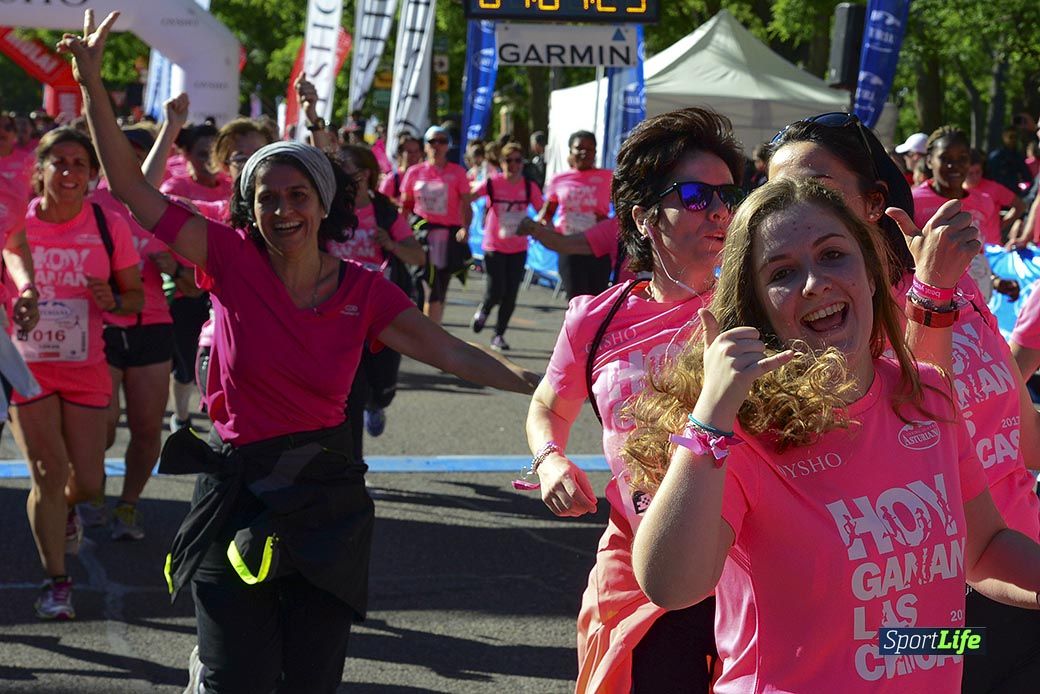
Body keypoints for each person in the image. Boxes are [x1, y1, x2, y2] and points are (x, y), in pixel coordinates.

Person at [63, 11, 536, 690]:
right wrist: (91, 84)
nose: (283, 209)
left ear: (323, 204)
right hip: (235, 489)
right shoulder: (226, 258)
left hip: (324, 499)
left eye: (298, 195)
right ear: (247, 209)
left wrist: (555, 385)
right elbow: (133, 192)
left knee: (311, 679)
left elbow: (456, 354)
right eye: (266, 198)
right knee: (236, 676)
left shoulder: (364, 291)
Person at [623, 177, 1040, 693]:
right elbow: (670, 585)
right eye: (782, 272)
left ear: (870, 274)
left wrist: (935, 649)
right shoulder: (742, 431)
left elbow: (983, 548)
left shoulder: (927, 393)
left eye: (833, 255)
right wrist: (711, 413)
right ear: (756, 306)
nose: (814, 282)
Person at [766, 113, 1040, 693]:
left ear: (873, 201)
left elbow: (1016, 418)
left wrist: (936, 286)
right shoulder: (822, 315)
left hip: (1021, 556)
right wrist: (929, 294)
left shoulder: (950, 279)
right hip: (927, 605)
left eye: (817, 186)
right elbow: (914, 413)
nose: (794, 203)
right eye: (775, 191)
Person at [525, 107, 746, 693]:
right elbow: (549, 404)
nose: (720, 210)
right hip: (642, 571)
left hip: (750, 568)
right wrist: (550, 459)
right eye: (697, 195)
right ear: (644, 216)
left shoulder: (760, 309)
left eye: (729, 195)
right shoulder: (594, 320)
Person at [14, 125, 143, 619]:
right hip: (29, 367)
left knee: (87, 483)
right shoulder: (16, 225)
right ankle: (57, 582)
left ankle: (67, 509)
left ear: (91, 175)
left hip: (87, 366)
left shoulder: (108, 225)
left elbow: (133, 296)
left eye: (79, 165)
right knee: (46, 475)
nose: (69, 172)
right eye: (59, 162)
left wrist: (113, 299)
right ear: (40, 170)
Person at [334, 144, 425, 458]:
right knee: (349, 391)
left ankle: (378, 403)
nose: (337, 174)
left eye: (343, 167)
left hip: (380, 312)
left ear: (363, 174)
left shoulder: (384, 210)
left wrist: (390, 244)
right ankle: (350, 461)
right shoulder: (329, 210)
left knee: (382, 385)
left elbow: (419, 256)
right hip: (338, 315)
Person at [913, 126, 1017, 303]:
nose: (954, 166)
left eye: (962, 158)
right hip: (933, 306)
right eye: (945, 158)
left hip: (978, 303)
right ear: (929, 161)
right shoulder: (913, 201)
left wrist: (994, 280)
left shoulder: (983, 201)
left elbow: (977, 255)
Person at [471, 142, 543, 351]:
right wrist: (463, 224)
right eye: (508, 160)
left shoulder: (529, 187)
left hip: (518, 247)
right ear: (501, 162)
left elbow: (542, 211)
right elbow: (467, 196)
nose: (513, 165)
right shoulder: (493, 183)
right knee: (496, 290)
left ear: (522, 163)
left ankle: (498, 335)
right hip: (493, 245)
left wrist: (538, 225)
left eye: (517, 160)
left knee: (510, 294)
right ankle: (484, 310)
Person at [399, 124, 473, 326]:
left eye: (442, 141)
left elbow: (466, 205)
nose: (437, 146)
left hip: (447, 236)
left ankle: (431, 329)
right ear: (425, 145)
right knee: (421, 281)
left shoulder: (457, 173)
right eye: (432, 141)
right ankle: (425, 327)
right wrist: (400, 233)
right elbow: (405, 207)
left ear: (448, 146)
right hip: (421, 234)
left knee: (438, 283)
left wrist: (465, 228)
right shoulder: (414, 173)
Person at [540, 130, 613, 299]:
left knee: (597, 303)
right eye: (579, 148)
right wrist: (539, 227)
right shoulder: (559, 179)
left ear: (595, 152)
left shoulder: (608, 177)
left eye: (589, 148)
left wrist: (607, 222)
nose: (584, 152)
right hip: (569, 246)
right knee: (576, 300)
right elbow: (548, 213)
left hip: (598, 248)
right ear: (570, 151)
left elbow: (624, 208)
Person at [964, 148, 1026, 248]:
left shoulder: (994, 188)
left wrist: (1002, 224)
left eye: (978, 172)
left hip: (991, 250)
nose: (975, 177)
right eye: (970, 173)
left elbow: (1020, 206)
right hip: (966, 252)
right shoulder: (954, 191)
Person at [378, 133, 422, 204]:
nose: (414, 155)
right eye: (409, 152)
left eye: (417, 151)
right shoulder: (392, 179)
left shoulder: (426, 176)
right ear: (401, 154)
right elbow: (381, 204)